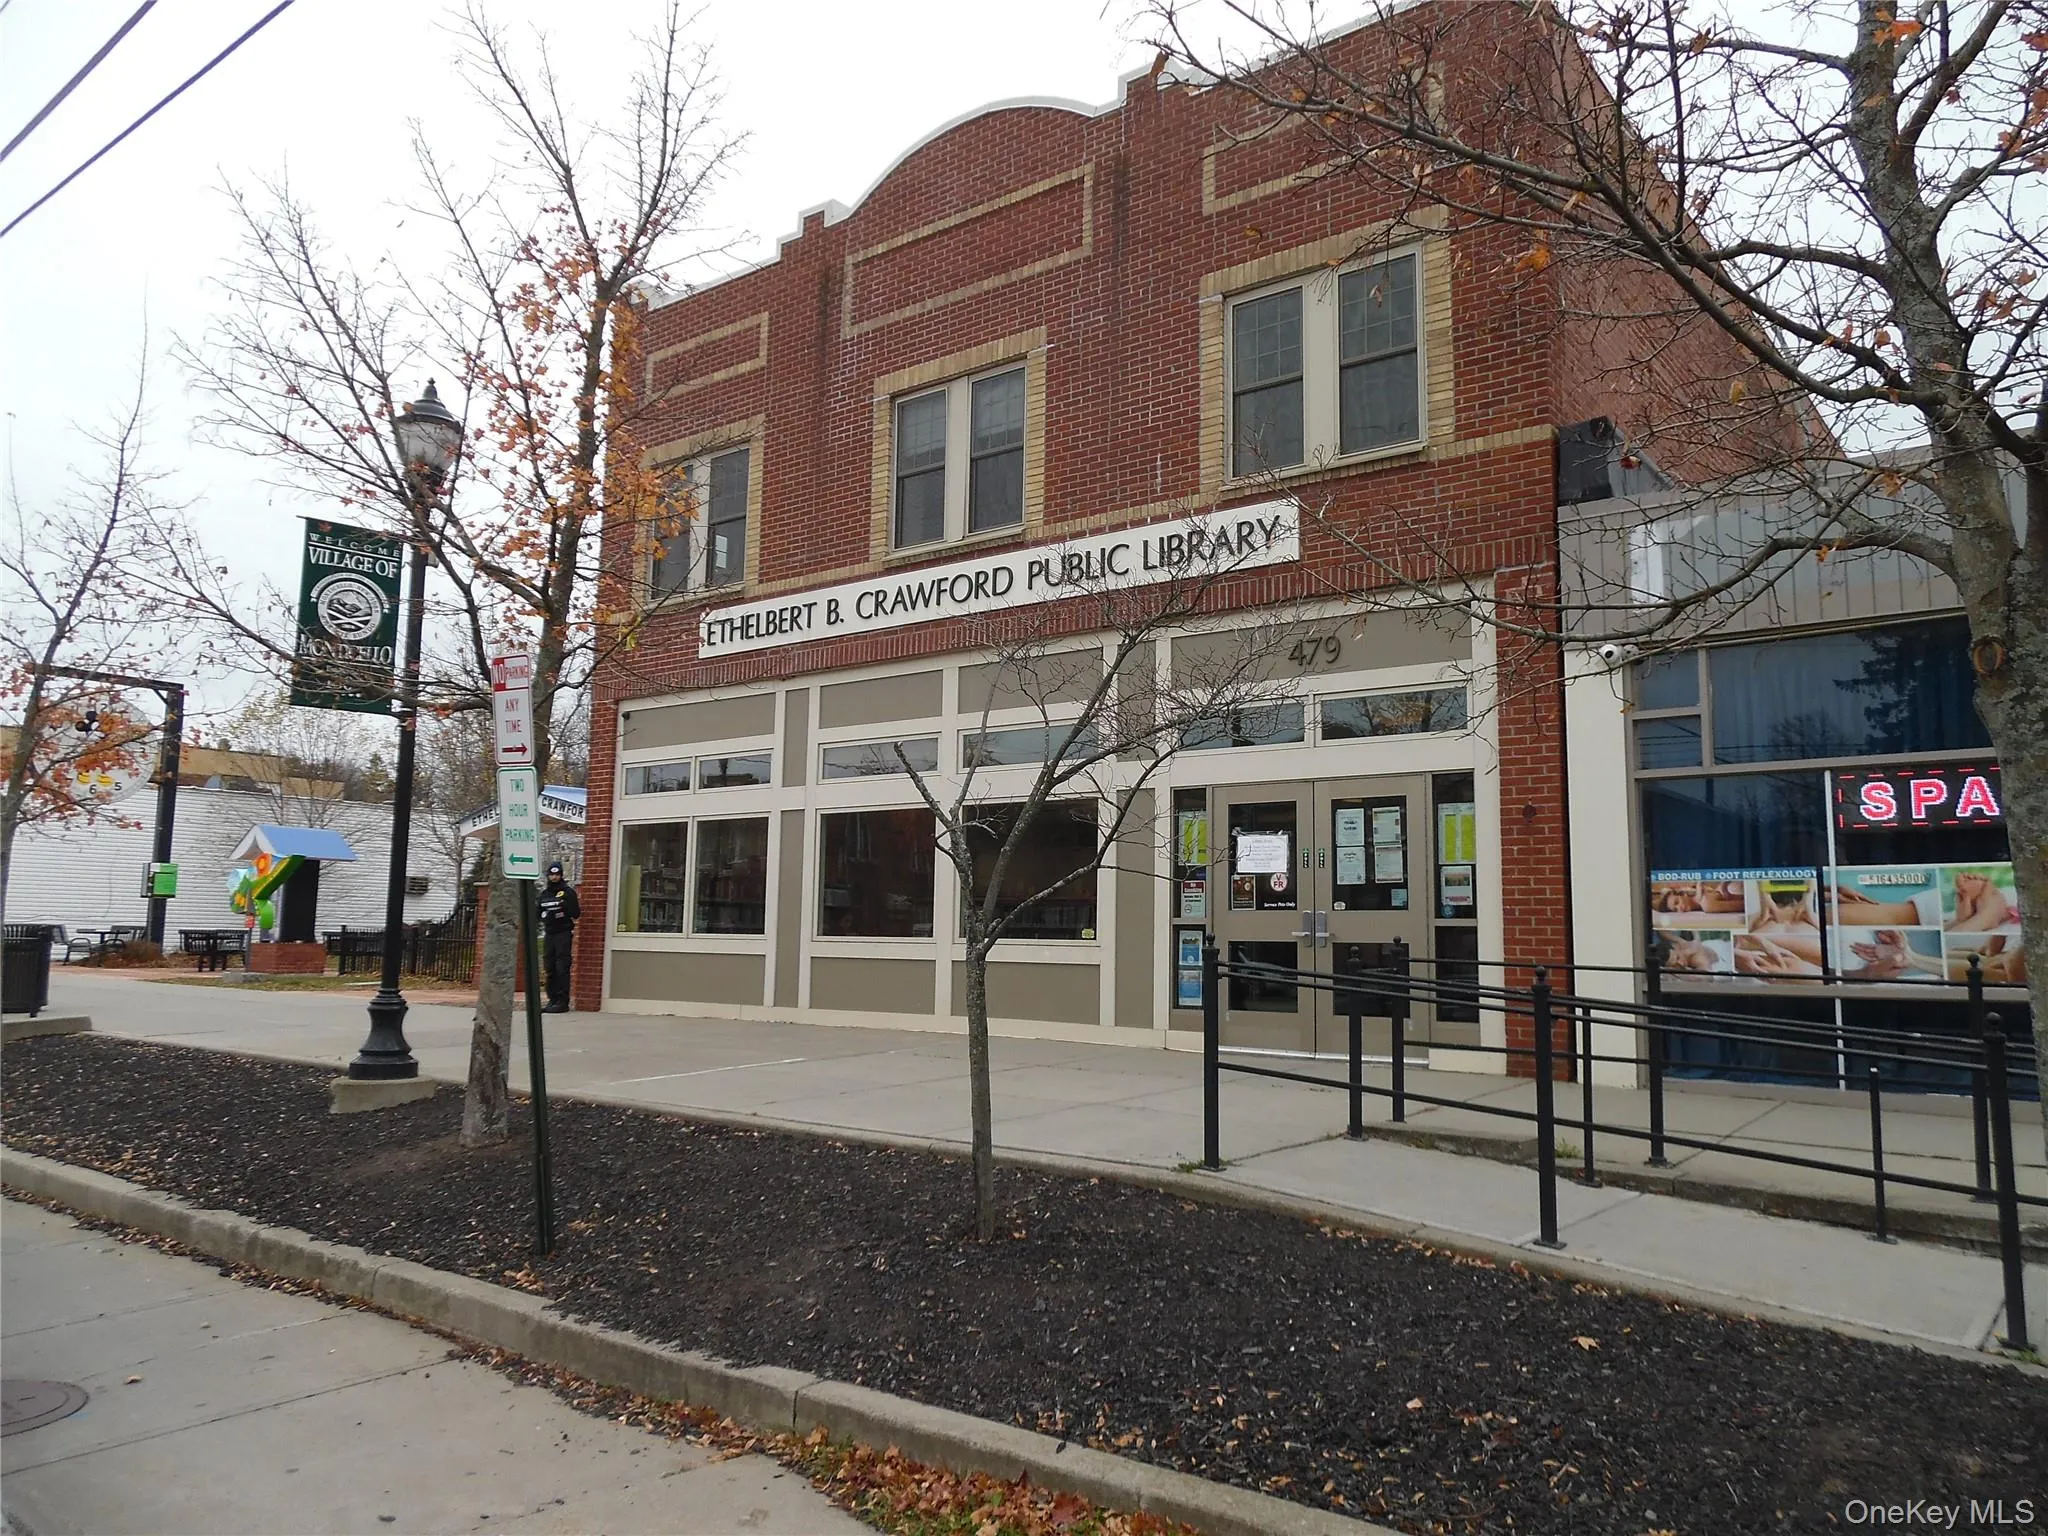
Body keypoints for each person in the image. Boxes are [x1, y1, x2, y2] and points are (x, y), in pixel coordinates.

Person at [537, 861, 580, 1013]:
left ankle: (562, 1001)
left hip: (563, 933)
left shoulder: (567, 892)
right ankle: (552, 999)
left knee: (562, 967)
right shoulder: (545, 894)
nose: (554, 877)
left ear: (561, 875)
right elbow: (538, 913)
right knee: (549, 967)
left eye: (557, 874)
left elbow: (576, 913)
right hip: (550, 933)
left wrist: (563, 907)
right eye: (551, 874)